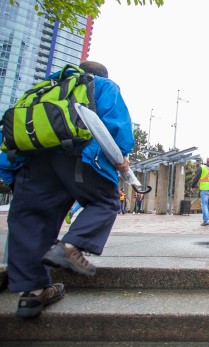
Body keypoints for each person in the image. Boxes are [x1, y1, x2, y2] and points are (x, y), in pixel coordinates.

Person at [2, 61, 134, 319]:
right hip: (78, 156)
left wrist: (10, 174)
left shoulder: (39, 89)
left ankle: (32, 293)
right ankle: (70, 247)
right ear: (100, 75)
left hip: (33, 164)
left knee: (31, 221)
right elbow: (115, 127)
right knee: (105, 201)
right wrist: (121, 159)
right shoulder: (102, 86)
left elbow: (8, 135)